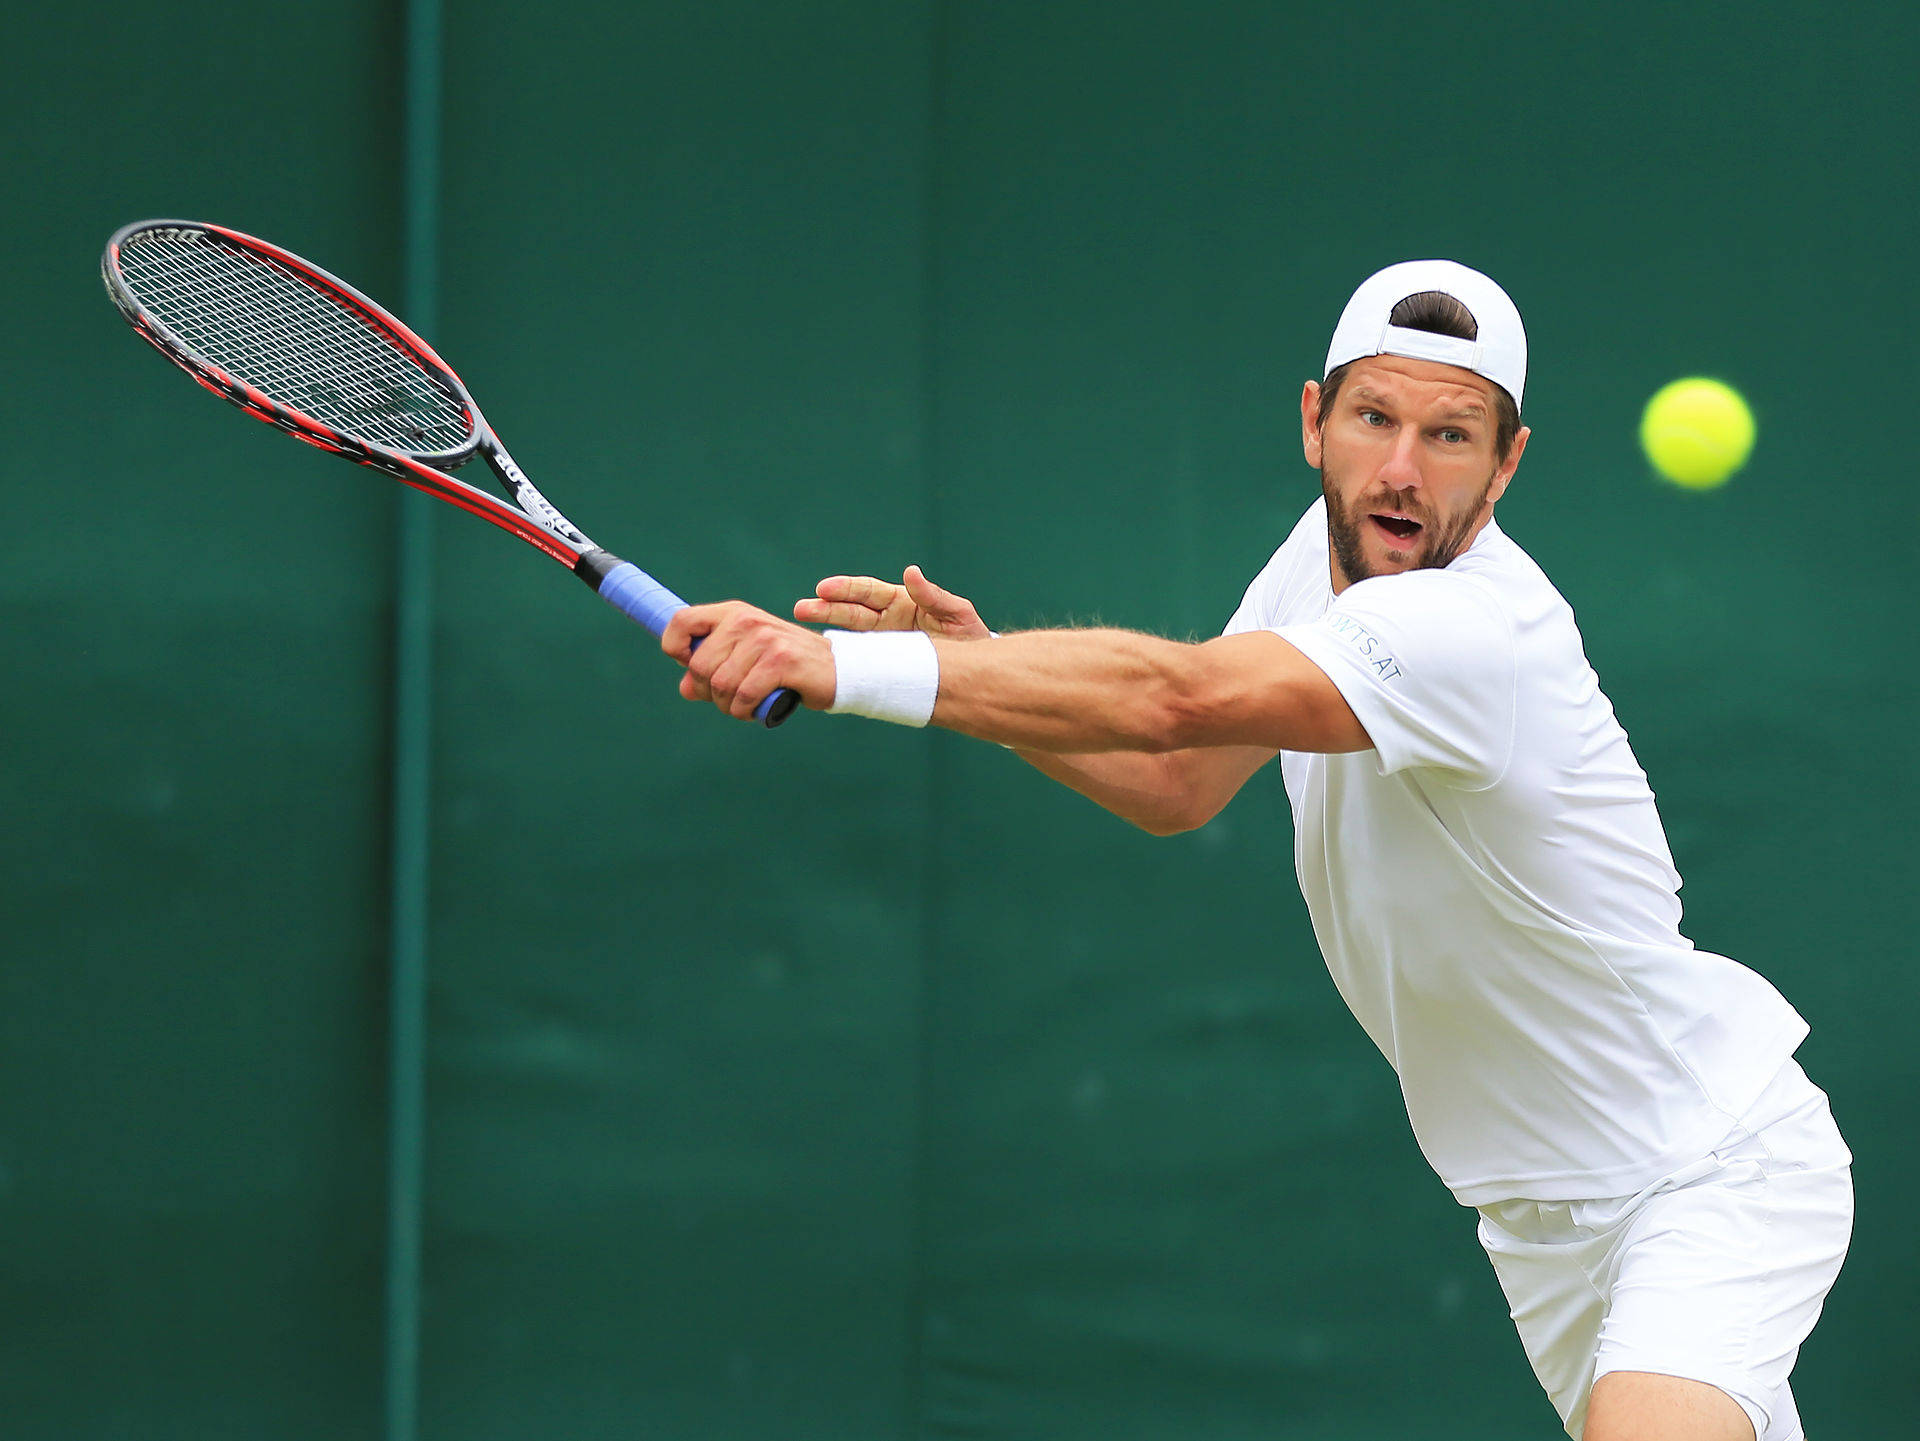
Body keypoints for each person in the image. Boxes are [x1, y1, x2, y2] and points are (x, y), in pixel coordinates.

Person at [659, 260, 1853, 1441]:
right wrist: (978, 671)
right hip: (1542, 1220)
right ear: (1312, 423)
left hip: (1706, 1172)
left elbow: (1175, 699)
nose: (1400, 469)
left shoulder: (1473, 629)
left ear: (1507, 465)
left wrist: (843, 669)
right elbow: (1177, 781)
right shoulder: (1319, 557)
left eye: (1450, 435)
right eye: (1374, 418)